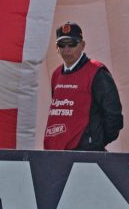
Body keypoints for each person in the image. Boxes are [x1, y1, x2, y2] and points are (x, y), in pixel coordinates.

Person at [44, 22, 124, 150]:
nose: (67, 48)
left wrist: (95, 142)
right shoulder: (56, 74)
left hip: (86, 152)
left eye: (72, 43)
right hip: (57, 152)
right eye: (62, 44)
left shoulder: (97, 72)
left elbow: (113, 115)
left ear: (82, 45)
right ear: (56, 48)